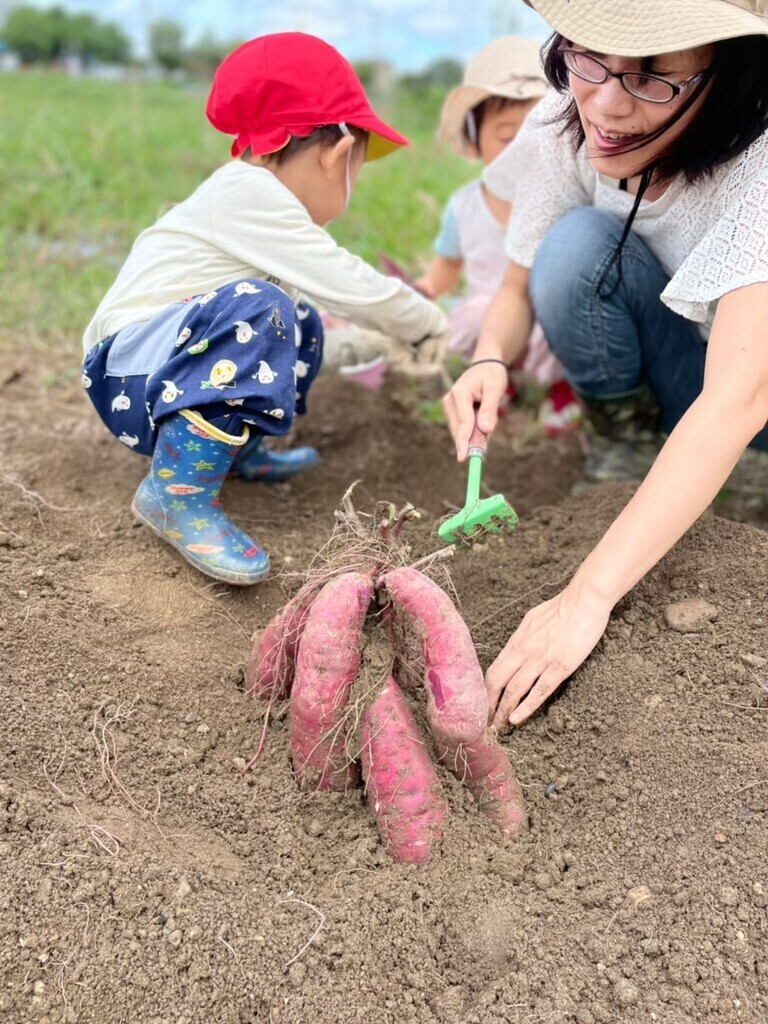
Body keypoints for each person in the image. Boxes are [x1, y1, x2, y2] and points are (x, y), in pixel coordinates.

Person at [443, 0, 768, 728]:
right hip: (690, 366)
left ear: (732, 76)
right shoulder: (570, 111)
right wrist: (490, 359)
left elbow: (740, 399)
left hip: (750, 393)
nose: (609, 103)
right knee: (577, 246)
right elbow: (521, 282)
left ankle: (731, 476)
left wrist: (585, 597)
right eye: (590, 57)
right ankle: (630, 444)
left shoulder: (760, 165)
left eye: (655, 77)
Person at [81, 32, 449, 586]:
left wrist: (375, 342)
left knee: (293, 321)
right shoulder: (249, 194)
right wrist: (423, 321)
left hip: (158, 369)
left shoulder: (256, 210)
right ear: (339, 153)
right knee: (264, 310)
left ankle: (231, 456)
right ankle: (176, 495)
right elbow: (349, 281)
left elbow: (307, 334)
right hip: (128, 373)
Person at [417, 35, 582, 436]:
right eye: (508, 138)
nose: (521, 151)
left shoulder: (562, 198)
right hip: (491, 319)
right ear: (474, 138)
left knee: (562, 322)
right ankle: (495, 382)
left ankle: (560, 389)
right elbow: (446, 267)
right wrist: (423, 291)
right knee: (474, 314)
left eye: (535, 135)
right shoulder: (464, 206)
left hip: (543, 314)